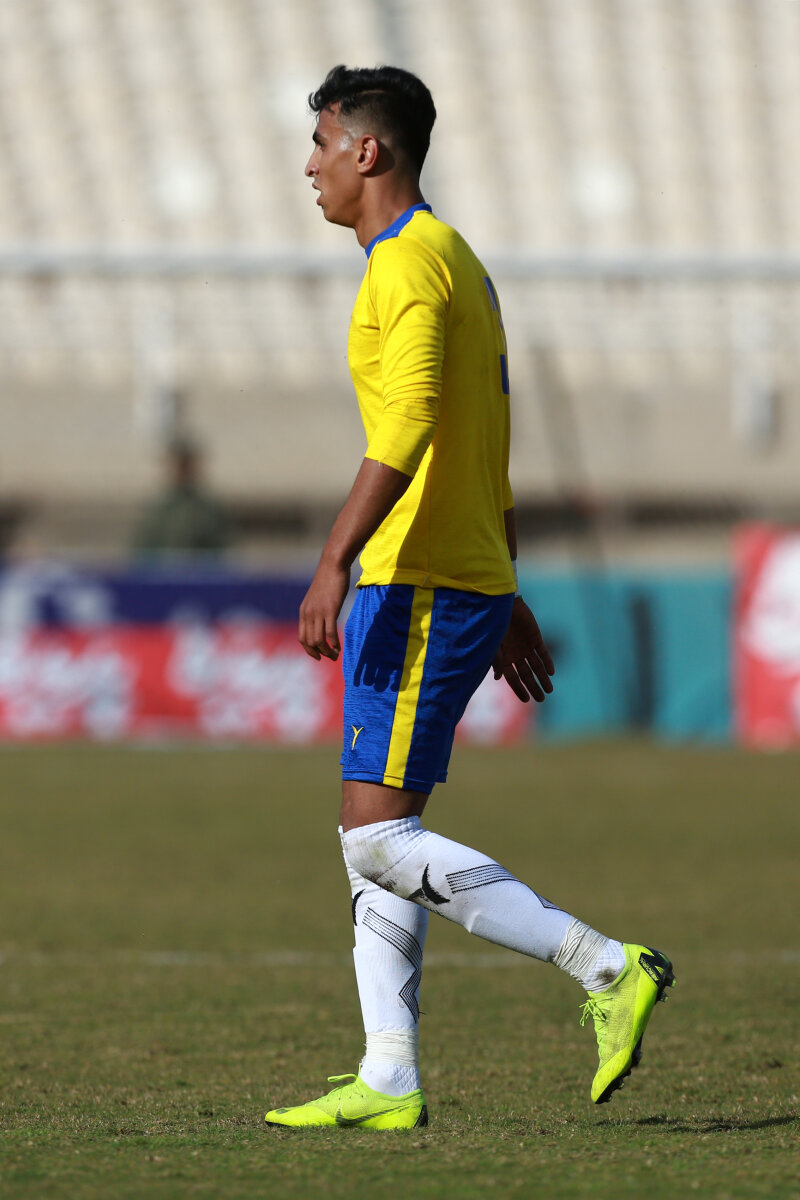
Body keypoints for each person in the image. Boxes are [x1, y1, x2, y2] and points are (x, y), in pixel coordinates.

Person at [265, 65, 674, 1131]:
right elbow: (483, 444)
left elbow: (408, 426)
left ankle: (603, 966)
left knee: (374, 840)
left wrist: (334, 558)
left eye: (320, 143)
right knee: (379, 828)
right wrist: (504, 580)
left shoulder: (406, 264)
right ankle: (388, 1076)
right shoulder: (457, 260)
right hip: (452, 574)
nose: (308, 166)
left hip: (416, 580)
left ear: (367, 151)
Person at [131, 435, 233, 559]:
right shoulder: (158, 512)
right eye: (177, 465)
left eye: (185, 465)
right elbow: (141, 551)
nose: (181, 471)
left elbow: (222, 550)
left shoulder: (208, 511)